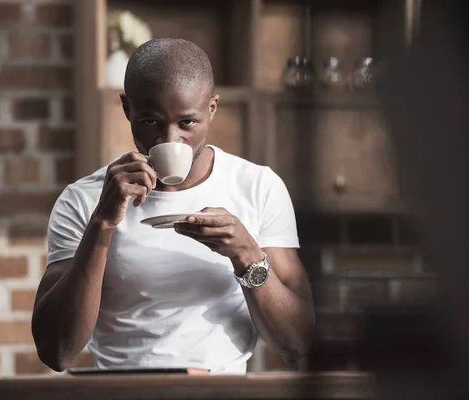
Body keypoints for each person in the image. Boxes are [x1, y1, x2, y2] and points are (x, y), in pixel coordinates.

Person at [31, 38, 315, 375]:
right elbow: (56, 351)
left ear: (211, 108)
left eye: (187, 123)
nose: (169, 140)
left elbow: (298, 344)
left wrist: (247, 254)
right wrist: (103, 222)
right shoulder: (84, 199)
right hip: (119, 395)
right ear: (128, 110)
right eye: (151, 122)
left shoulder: (258, 187)